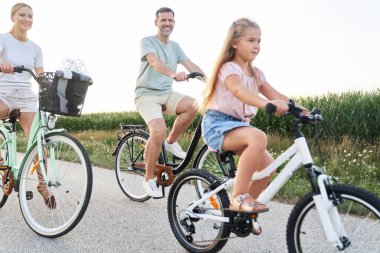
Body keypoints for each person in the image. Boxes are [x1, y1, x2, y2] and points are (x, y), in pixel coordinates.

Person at [201, 18, 307, 215]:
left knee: (268, 166)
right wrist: (266, 104)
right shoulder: (229, 68)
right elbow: (239, 91)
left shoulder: (256, 74)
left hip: (239, 126)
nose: (256, 45)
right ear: (234, 43)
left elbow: (278, 96)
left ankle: (243, 215)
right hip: (217, 124)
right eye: (251, 40)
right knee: (258, 137)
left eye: (259, 41)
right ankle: (239, 196)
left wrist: (304, 110)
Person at [135, 7, 206, 198]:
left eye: (170, 21)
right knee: (158, 131)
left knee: (193, 105)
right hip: (146, 94)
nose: (167, 23)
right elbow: (154, 62)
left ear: (174, 23)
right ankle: (149, 179)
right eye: (163, 20)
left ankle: (171, 143)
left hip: (166, 93)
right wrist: (173, 73)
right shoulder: (147, 42)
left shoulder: (175, 46)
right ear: (156, 22)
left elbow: (191, 65)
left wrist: (210, 82)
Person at [0, 3, 55, 209]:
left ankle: (43, 185)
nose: (27, 19)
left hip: (26, 98)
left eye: (30, 16)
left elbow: (40, 74)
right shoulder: (3, 39)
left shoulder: (35, 48)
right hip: (3, 94)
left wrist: (49, 82)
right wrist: (2, 66)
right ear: (13, 17)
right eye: (22, 15)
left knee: (37, 142)